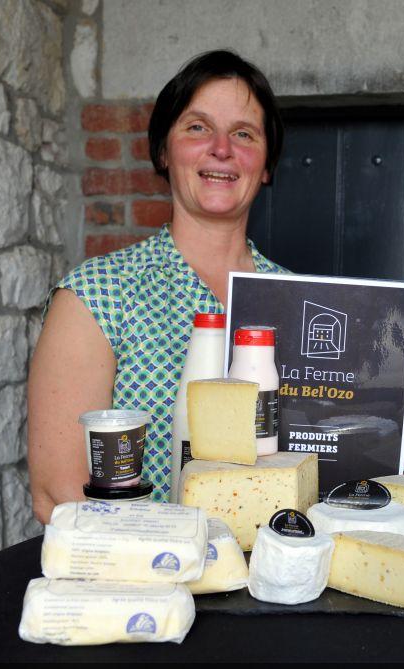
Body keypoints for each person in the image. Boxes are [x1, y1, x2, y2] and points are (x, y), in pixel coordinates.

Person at [28, 50, 287, 522]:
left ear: (267, 164)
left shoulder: (297, 300)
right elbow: (58, 493)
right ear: (163, 151)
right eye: (198, 127)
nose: (222, 148)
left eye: (244, 134)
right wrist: (183, 556)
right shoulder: (99, 295)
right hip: (139, 568)